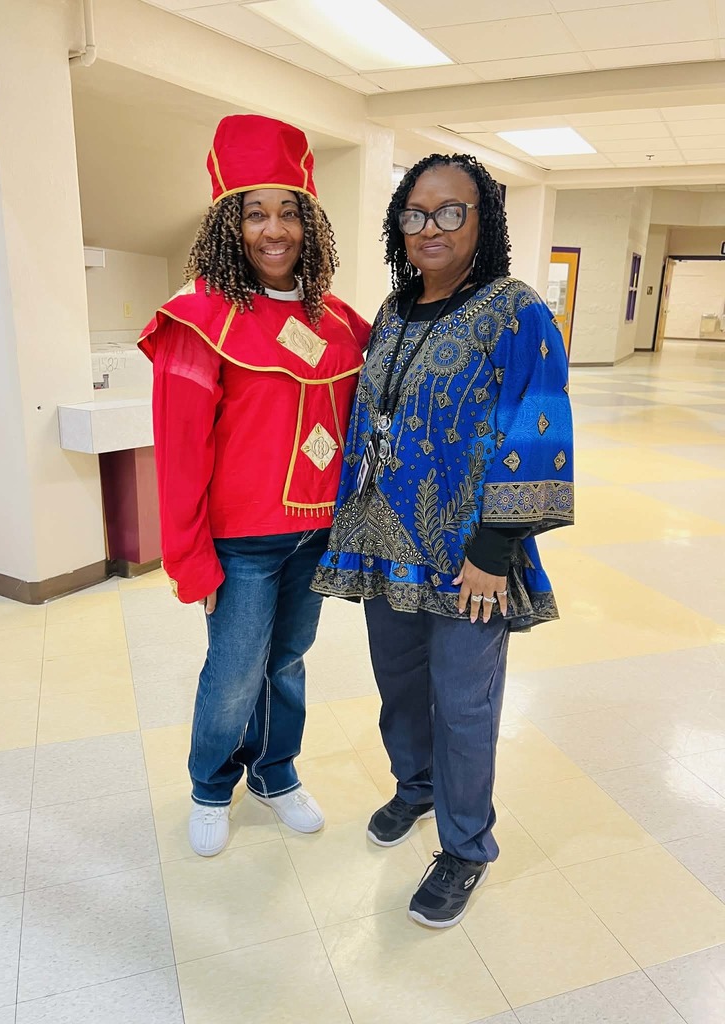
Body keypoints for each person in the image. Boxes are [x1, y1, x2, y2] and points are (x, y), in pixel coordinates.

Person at [313, 152, 574, 927]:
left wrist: (496, 548)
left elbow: (541, 426)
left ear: (482, 221)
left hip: (470, 558)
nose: (431, 227)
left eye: (451, 211)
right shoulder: (393, 312)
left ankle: (465, 848)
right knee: (398, 683)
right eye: (416, 212)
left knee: (464, 700)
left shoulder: (514, 310)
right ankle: (415, 785)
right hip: (383, 545)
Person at [139, 115, 370, 858]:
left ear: (312, 221)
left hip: (314, 533)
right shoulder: (198, 320)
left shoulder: (338, 322)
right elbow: (178, 454)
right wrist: (189, 559)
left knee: (288, 663)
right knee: (235, 673)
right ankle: (212, 785)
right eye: (255, 211)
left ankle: (274, 771)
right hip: (239, 543)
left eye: (290, 210)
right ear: (226, 224)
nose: (275, 229)